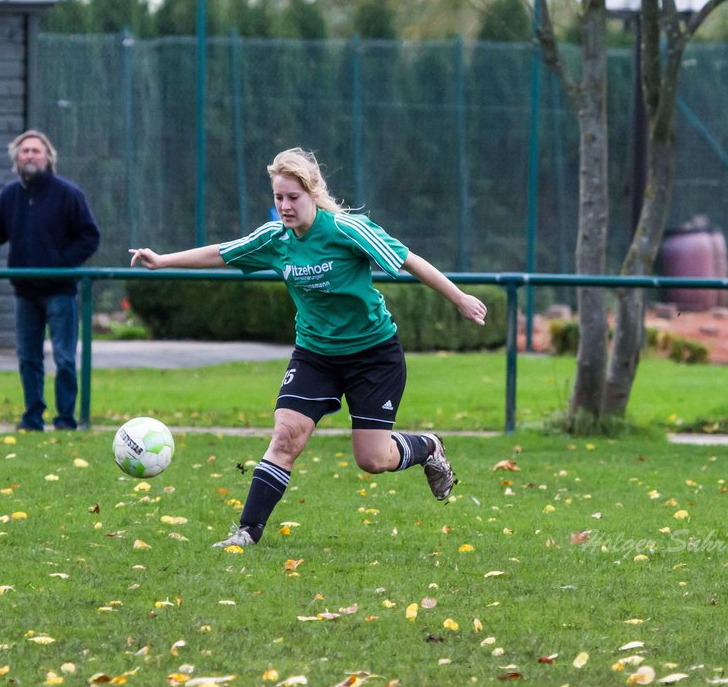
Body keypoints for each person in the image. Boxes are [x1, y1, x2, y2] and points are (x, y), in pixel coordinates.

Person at [130, 147, 488, 548]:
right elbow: (221, 252)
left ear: (313, 194)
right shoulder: (275, 239)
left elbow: (409, 259)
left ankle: (428, 446)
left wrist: (458, 298)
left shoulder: (347, 230)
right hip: (315, 354)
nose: (284, 206)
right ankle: (246, 533)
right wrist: (162, 260)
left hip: (373, 355)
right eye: (279, 198)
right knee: (285, 437)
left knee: (372, 460)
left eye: (293, 198)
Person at [0, 130, 100, 431]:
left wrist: (59, 263)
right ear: (16, 158)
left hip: (60, 292)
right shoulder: (9, 197)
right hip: (25, 293)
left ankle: (66, 419)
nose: (30, 155)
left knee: (65, 359)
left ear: (48, 157)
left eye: (36, 151)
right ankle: (32, 418)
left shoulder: (68, 193)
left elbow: (89, 237)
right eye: (24, 151)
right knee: (28, 359)